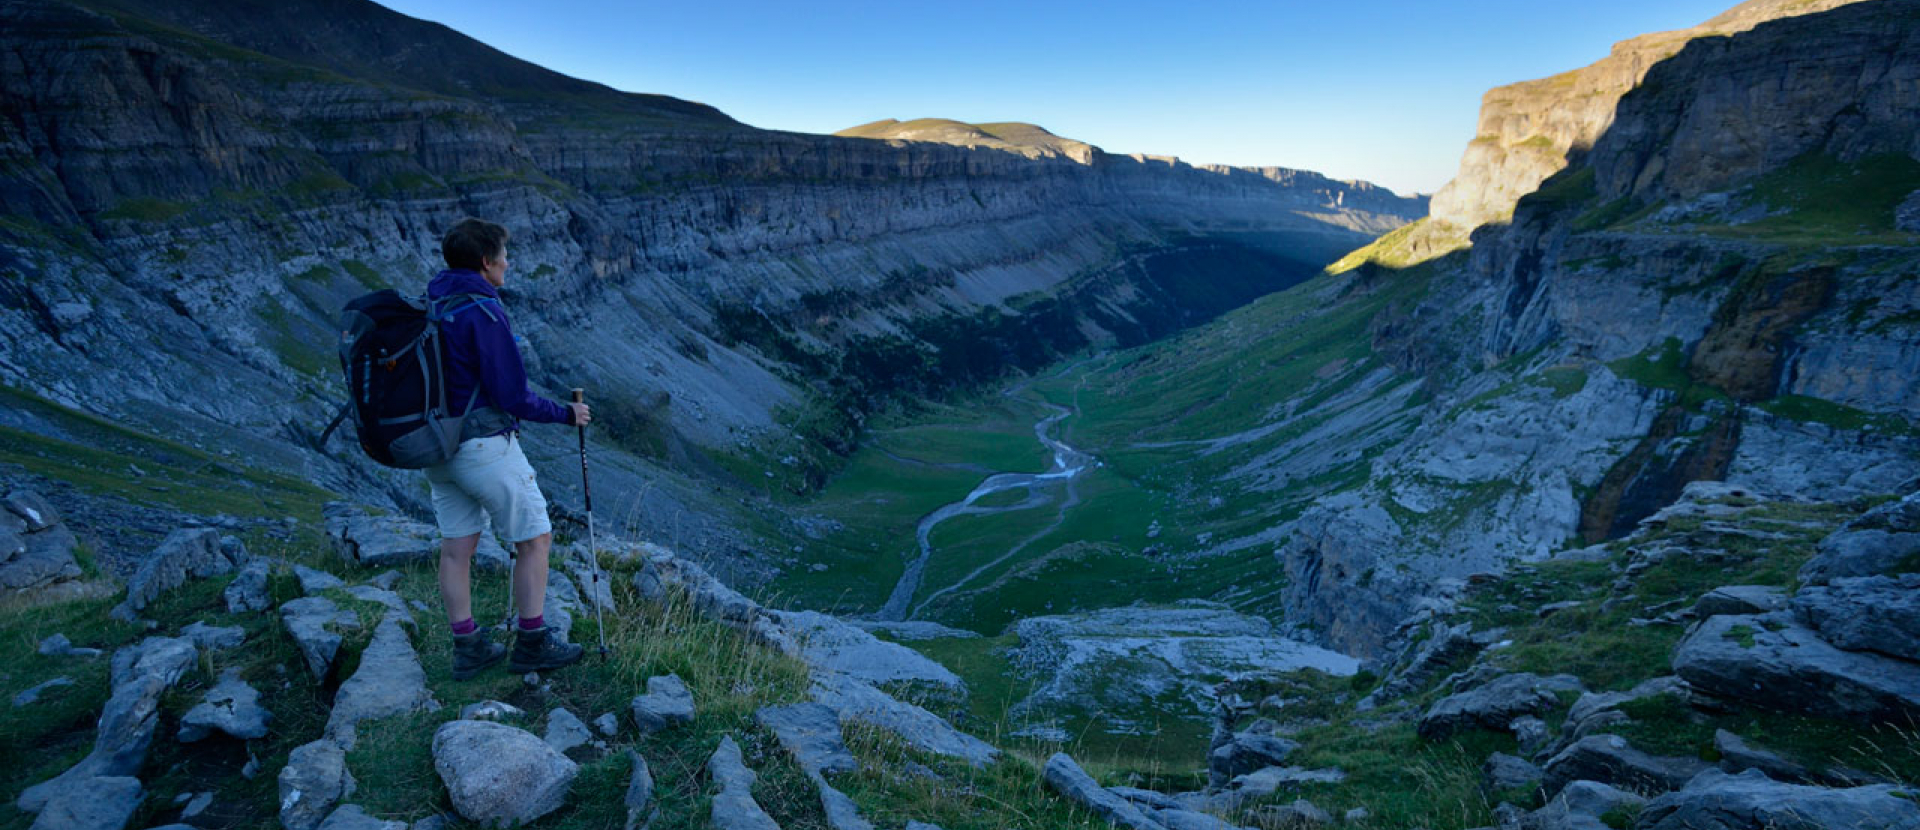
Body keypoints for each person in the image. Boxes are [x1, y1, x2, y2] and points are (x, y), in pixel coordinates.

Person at [425, 217, 590, 679]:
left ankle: (468, 648)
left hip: (439, 448)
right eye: (503, 255)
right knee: (535, 538)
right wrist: (564, 413)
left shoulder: (432, 300)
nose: (508, 262)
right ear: (485, 262)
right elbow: (511, 394)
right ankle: (533, 643)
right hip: (482, 446)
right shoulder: (484, 310)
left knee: (457, 547)